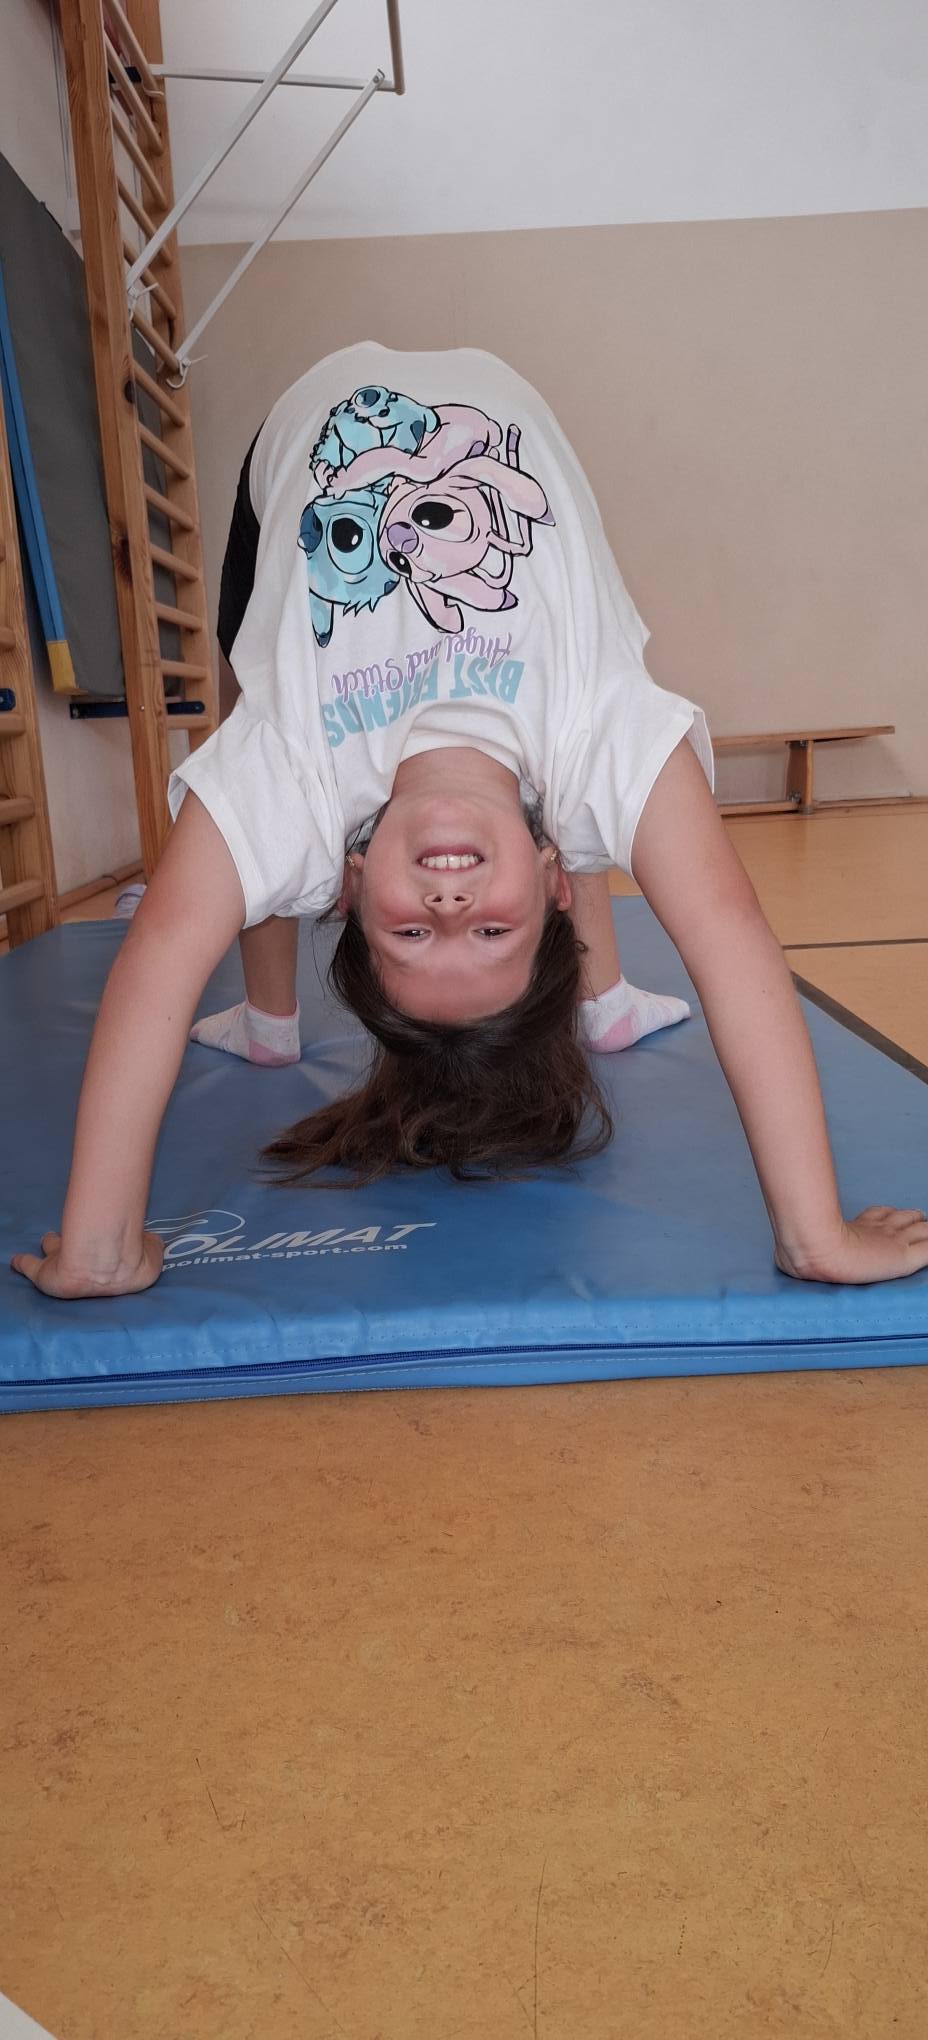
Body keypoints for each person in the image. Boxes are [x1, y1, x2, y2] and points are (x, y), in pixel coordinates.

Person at [11, 344, 927, 1298]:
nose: (449, 907)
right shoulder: (601, 749)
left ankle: (269, 1021)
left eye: (411, 935)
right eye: (492, 932)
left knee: (246, 701)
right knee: (593, 815)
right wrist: (814, 1234)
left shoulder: (295, 788)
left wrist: (101, 1247)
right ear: (556, 880)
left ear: (349, 890)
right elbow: (729, 937)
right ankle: (605, 994)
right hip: (503, 407)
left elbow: (161, 953)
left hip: (302, 424)